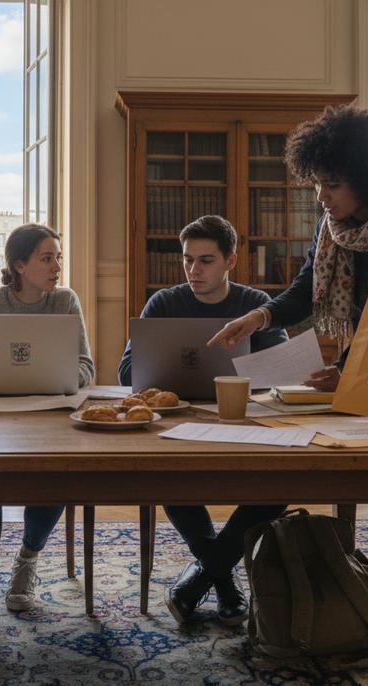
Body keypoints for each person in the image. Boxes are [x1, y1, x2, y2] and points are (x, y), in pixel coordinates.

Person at [207, 106, 368, 667]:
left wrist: (354, 371)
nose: (320, 195)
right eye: (317, 181)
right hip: (367, 373)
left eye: (332, 183)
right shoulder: (337, 229)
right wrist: (258, 318)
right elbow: (304, 291)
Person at [117, 215, 288, 626]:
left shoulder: (254, 305)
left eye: (206, 260)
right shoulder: (164, 303)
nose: (194, 270)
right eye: (188, 260)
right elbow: (126, 373)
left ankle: (204, 577)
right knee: (168, 477)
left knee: (279, 483)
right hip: (176, 422)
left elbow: (280, 371)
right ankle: (222, 581)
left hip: (242, 421)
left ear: (230, 260)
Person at [0, 223, 95, 647]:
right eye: (47, 258)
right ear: (19, 265)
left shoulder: (66, 301)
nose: (56, 267)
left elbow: (87, 368)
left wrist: (57, 379)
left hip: (49, 417)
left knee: (58, 472)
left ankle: (27, 557)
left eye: (58, 258)